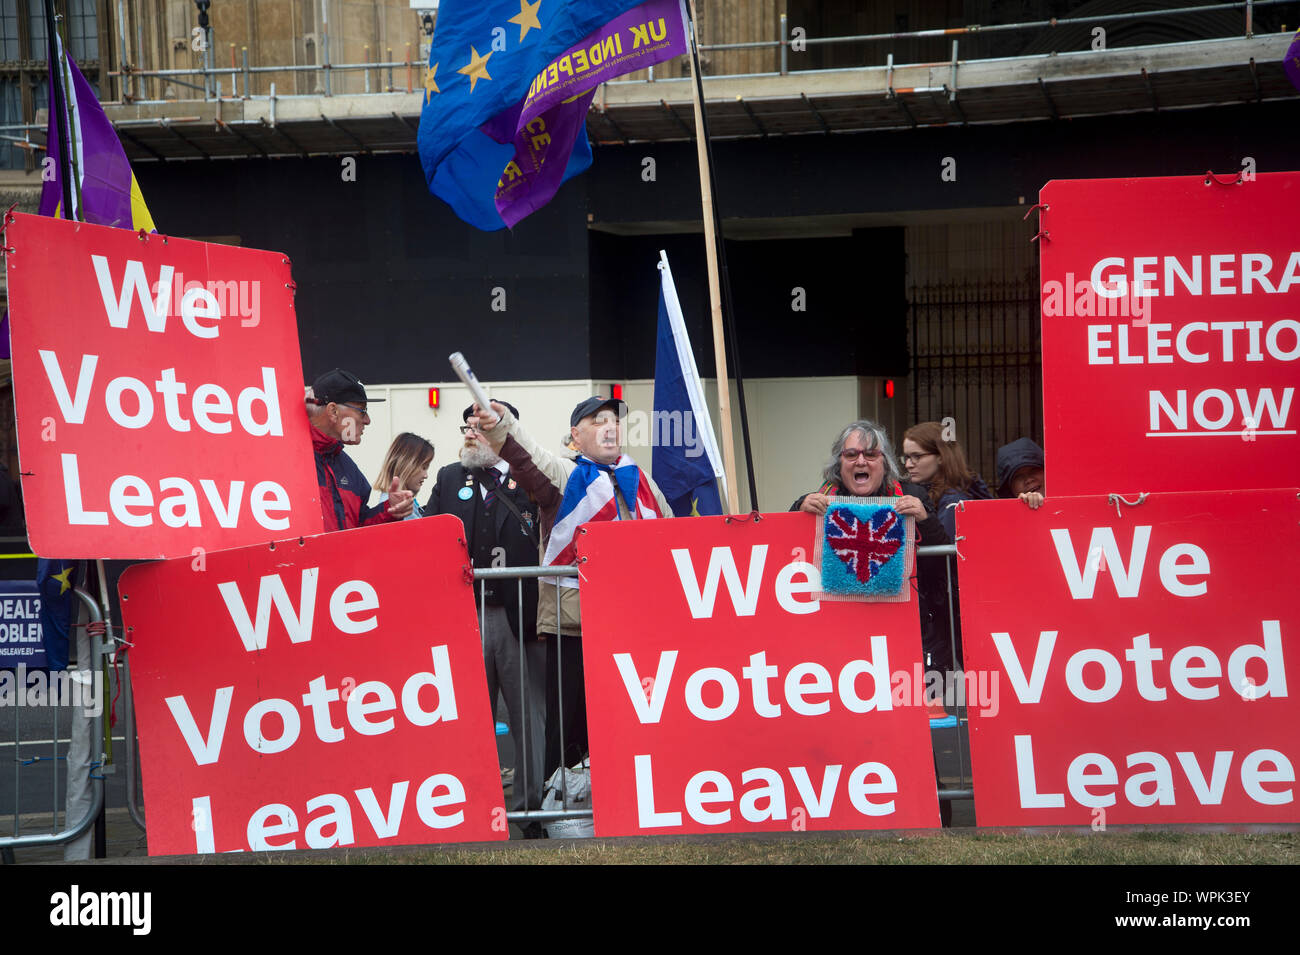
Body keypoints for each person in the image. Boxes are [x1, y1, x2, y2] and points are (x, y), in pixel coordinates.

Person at [474, 395, 672, 783]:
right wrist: (503, 424)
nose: (610, 426)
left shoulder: (644, 483)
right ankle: (563, 816)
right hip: (575, 626)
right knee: (570, 730)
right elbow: (527, 458)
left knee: (630, 722)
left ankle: (633, 801)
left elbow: (677, 535)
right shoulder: (565, 476)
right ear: (574, 437)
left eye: (613, 420)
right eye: (597, 421)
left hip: (635, 627)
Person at [427, 401, 545, 823]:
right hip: (466, 617)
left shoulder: (532, 479)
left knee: (527, 720)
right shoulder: (449, 477)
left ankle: (529, 813)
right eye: (467, 425)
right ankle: (471, 813)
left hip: (519, 615)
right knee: (466, 719)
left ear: (505, 435)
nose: (470, 432)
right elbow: (429, 533)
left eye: (481, 427)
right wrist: (407, 515)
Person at [791, 419, 955, 671]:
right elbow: (787, 556)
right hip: (843, 632)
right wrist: (798, 510)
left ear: (885, 462)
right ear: (839, 464)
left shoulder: (914, 495)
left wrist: (925, 519)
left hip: (907, 629)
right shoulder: (822, 500)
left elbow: (944, 561)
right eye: (851, 454)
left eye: (870, 454)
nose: (861, 461)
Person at [307, 368, 412, 530]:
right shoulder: (287, 458)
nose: (368, 420)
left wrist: (389, 510)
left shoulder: (350, 471)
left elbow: (359, 527)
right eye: (362, 411)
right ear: (333, 411)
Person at [901, 422, 993, 540]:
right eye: (907, 457)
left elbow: (947, 554)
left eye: (917, 456)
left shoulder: (953, 502)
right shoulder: (930, 493)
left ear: (941, 456)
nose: (908, 464)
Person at [373, 433, 435, 520]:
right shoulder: (399, 508)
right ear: (405, 465)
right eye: (424, 467)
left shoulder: (404, 504)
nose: (426, 475)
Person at [995, 437, 1046, 509]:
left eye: (1034, 471)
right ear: (1010, 489)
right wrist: (1020, 510)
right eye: (1018, 477)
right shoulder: (1006, 516)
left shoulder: (1067, 498)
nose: (1028, 480)